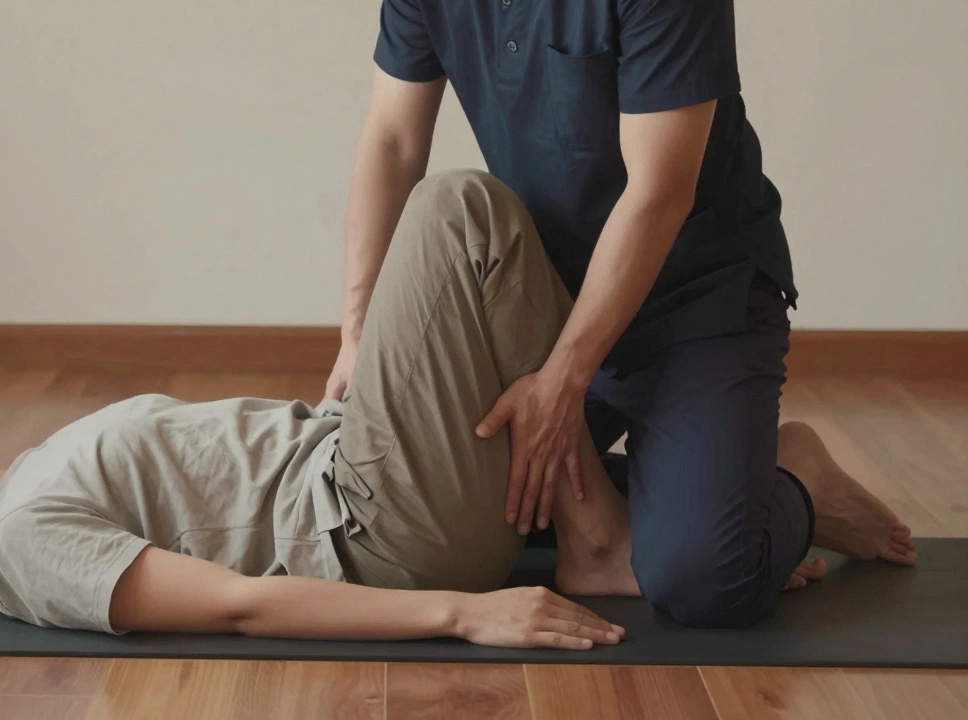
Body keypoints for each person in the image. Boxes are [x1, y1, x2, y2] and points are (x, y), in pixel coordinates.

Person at [0, 171, 896, 652]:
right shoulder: (18, 552)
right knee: (455, 215)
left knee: (489, 228)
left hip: (368, 468)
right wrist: (465, 616)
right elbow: (239, 605)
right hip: (377, 527)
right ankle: (608, 536)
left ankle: (777, 489)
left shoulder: (32, 474)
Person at [322, 2, 917, 627]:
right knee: (445, 513)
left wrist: (561, 384)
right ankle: (695, 494)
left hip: (696, 300)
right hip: (545, 294)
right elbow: (392, 140)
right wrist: (356, 333)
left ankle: (800, 477)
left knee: (702, 582)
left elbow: (659, 190)